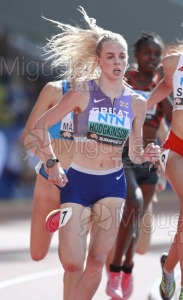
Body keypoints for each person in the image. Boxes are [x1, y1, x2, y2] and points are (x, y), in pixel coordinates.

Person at [23, 7, 160, 300]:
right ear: (98, 61)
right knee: (73, 262)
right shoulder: (81, 93)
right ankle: (67, 216)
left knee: (97, 261)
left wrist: (146, 154)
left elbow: (133, 154)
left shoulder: (135, 103)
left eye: (122, 56)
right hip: (79, 181)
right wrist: (51, 163)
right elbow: (39, 127)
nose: (117, 61)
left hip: (112, 184)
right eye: (110, 56)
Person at [106, 31, 172, 300]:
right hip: (124, 156)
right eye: (148, 52)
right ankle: (114, 270)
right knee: (132, 203)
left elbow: (171, 122)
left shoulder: (162, 84)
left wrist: (166, 164)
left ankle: (127, 269)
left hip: (149, 161)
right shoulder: (127, 80)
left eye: (158, 54)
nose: (153, 58)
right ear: (136, 55)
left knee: (136, 218)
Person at [22, 79, 74, 261]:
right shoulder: (55, 90)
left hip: (82, 184)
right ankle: (63, 216)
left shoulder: (104, 96)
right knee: (37, 253)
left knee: (73, 259)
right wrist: (50, 162)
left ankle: (119, 273)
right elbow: (28, 135)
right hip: (49, 179)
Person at [147, 46, 183, 300]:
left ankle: (168, 268)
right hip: (176, 148)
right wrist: (141, 106)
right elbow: (165, 86)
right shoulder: (174, 62)